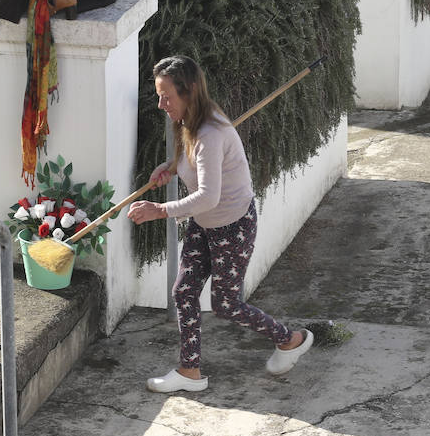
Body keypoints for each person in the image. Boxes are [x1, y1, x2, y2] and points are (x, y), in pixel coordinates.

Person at [127, 55, 313, 393]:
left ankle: (291, 339)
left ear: (190, 91)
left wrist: (160, 209)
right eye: (159, 95)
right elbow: (196, 161)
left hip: (232, 225)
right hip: (204, 223)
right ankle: (189, 371)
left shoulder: (211, 132)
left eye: (166, 95)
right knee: (184, 291)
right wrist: (171, 166)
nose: (160, 103)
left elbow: (208, 196)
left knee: (226, 305)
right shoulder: (189, 122)